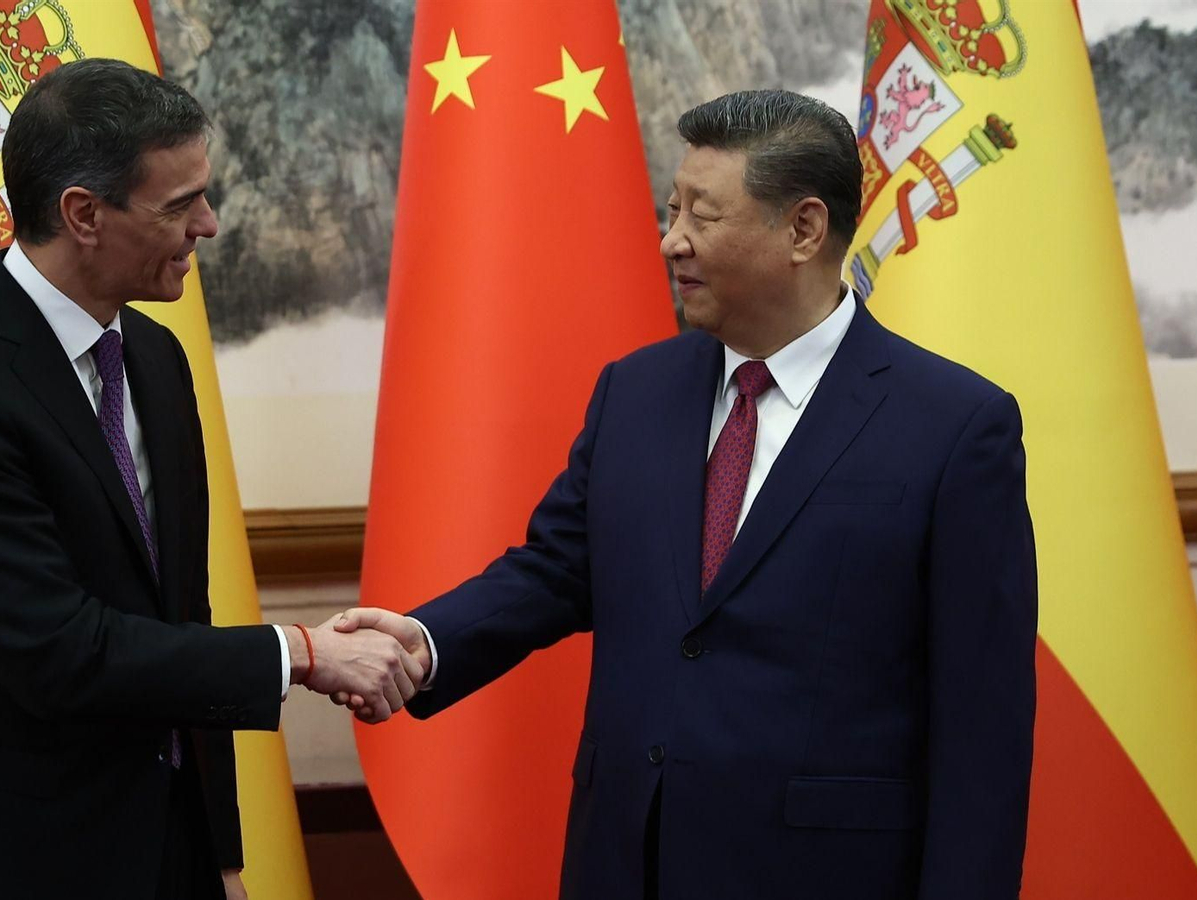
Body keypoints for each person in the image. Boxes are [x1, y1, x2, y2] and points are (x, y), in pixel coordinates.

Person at [337, 90, 1038, 900]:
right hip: (627, 862)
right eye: (671, 210)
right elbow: (557, 569)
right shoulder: (635, 393)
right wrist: (424, 642)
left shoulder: (955, 426)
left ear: (803, 230)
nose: (673, 242)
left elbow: (982, 725)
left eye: (702, 217)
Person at [0, 59, 423, 900]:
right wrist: (300, 656)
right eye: (178, 205)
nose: (210, 223)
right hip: (21, 861)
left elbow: (179, 612)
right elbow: (57, 652)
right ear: (83, 214)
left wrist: (222, 850)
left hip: (169, 849)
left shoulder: (154, 357)